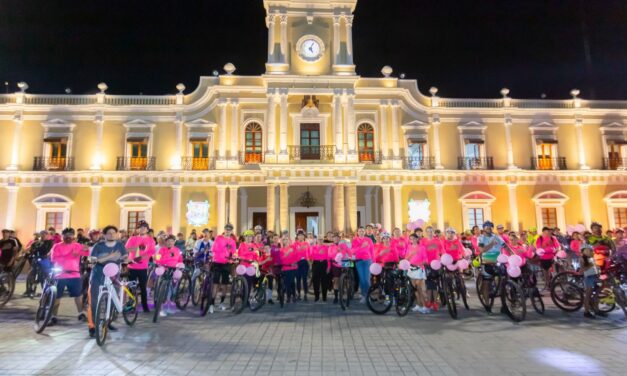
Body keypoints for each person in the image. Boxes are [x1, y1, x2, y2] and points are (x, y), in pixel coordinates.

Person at [86, 225, 127, 337]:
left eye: (114, 233)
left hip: (114, 276)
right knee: (94, 301)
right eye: (109, 233)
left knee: (113, 300)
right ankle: (93, 326)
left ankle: (108, 322)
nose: (112, 235)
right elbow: (91, 261)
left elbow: (125, 256)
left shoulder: (120, 245)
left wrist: (127, 259)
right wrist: (111, 256)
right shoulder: (98, 246)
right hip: (97, 275)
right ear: (104, 235)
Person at [49, 228, 90, 325]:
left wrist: (85, 249)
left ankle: (80, 313)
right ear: (62, 236)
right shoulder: (56, 246)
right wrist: (71, 254)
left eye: (70, 235)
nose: (68, 237)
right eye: (66, 235)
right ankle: (54, 316)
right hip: (60, 275)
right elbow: (54, 259)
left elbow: (87, 253)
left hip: (74, 274)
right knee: (56, 297)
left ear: (73, 236)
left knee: (78, 296)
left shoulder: (77, 245)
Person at [125, 220, 156, 313]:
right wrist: (137, 249)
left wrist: (142, 257)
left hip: (143, 267)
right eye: (140, 228)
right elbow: (126, 248)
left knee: (143, 287)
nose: (142, 229)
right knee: (131, 286)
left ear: (147, 229)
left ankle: (144, 305)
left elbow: (152, 252)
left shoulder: (151, 240)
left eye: (144, 227)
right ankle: (131, 305)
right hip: (132, 266)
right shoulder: (132, 238)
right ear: (138, 229)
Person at [477, 221, 505, 313]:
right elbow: (481, 250)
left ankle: (504, 304)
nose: (489, 228)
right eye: (487, 226)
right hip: (487, 261)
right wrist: (492, 244)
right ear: (483, 228)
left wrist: (514, 255)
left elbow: (506, 246)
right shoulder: (481, 238)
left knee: (503, 280)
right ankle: (487, 303)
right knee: (486, 283)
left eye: (490, 226)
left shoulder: (497, 237)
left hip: (498, 260)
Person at [155, 235, 183, 317]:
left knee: (172, 287)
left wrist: (179, 266)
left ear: (174, 242)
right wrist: (158, 264)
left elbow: (180, 260)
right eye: (168, 241)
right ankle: (162, 306)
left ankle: (170, 302)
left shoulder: (178, 250)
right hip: (163, 268)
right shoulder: (161, 249)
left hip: (174, 269)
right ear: (166, 242)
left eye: (172, 241)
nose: (170, 242)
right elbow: (157, 258)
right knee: (163, 286)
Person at [211, 224, 236, 312]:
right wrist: (224, 249)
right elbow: (214, 249)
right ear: (224, 230)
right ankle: (211, 304)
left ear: (232, 231)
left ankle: (221, 303)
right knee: (216, 284)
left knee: (225, 285)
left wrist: (232, 257)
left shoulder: (232, 241)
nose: (228, 231)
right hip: (217, 262)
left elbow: (233, 252)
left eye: (230, 230)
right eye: (227, 229)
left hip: (226, 264)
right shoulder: (219, 238)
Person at [405, 233, 429, 314]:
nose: (412, 240)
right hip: (411, 269)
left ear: (417, 239)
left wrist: (419, 264)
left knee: (420, 289)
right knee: (415, 289)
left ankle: (425, 306)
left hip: (419, 270)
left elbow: (426, 260)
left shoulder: (422, 247)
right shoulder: (409, 247)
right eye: (411, 239)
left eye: (414, 238)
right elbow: (406, 258)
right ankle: (418, 305)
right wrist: (411, 255)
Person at [420, 226, 443, 310]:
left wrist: (441, 257)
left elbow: (442, 250)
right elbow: (421, 252)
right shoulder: (423, 241)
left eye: (431, 231)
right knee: (428, 283)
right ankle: (429, 301)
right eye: (428, 231)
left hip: (436, 263)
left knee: (435, 283)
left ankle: (435, 302)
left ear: (433, 232)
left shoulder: (437, 240)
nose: (430, 232)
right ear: (426, 232)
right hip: (427, 264)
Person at [352, 227, 374, 303]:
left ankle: (368, 295)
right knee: (362, 279)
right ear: (357, 232)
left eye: (362, 231)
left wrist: (373, 262)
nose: (361, 232)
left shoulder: (369, 240)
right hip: (359, 261)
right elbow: (353, 251)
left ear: (364, 232)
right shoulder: (355, 240)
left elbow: (372, 251)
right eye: (360, 231)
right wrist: (361, 246)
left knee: (367, 279)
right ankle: (364, 295)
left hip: (368, 260)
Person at [581, 243, 600, 318]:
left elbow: (596, 267)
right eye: (587, 250)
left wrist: (598, 271)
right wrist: (591, 265)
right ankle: (586, 311)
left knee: (596, 295)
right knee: (588, 295)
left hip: (594, 277)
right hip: (588, 278)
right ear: (583, 251)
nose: (590, 252)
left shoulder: (592, 258)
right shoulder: (582, 259)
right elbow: (582, 270)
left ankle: (596, 309)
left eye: (590, 250)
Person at [309, 236, 329, 302]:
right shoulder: (313, 247)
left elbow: (328, 257)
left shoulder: (326, 247)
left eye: (321, 239)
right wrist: (318, 253)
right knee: (316, 281)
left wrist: (328, 266)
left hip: (324, 264)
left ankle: (324, 297)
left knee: (324, 281)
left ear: (323, 240)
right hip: (316, 264)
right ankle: (316, 297)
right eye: (319, 239)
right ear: (316, 240)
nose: (320, 240)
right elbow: (311, 256)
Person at [280, 235, 298, 303]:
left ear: (289, 240)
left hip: (293, 268)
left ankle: (292, 296)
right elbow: (281, 259)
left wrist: (295, 262)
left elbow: (297, 257)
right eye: (284, 239)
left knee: (291, 282)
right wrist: (287, 253)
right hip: (285, 268)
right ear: (282, 241)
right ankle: (289, 296)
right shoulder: (281, 249)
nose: (286, 240)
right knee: (288, 283)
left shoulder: (293, 248)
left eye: (287, 239)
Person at [293, 231, 310, 301]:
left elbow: (309, 252)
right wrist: (299, 250)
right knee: (298, 279)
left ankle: (305, 294)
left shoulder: (307, 244)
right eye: (299, 235)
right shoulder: (295, 244)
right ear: (297, 236)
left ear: (304, 236)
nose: (300, 237)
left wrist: (309, 260)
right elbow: (293, 253)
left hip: (305, 262)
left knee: (305, 279)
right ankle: (299, 293)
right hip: (297, 263)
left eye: (302, 235)